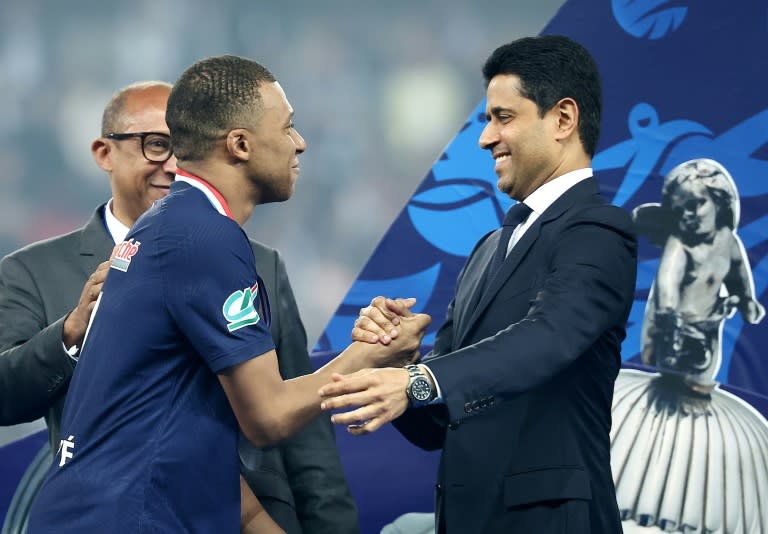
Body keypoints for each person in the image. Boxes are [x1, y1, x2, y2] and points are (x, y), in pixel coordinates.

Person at [24, 55, 429, 534]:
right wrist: (372, 353)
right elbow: (269, 418)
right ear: (240, 144)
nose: (299, 143)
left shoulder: (167, 228)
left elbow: (190, 444)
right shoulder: (204, 240)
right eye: (288, 127)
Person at [319, 35, 638, 534]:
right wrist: (401, 360)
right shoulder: (489, 248)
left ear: (563, 119)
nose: (485, 138)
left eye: (503, 117)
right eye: (488, 119)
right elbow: (437, 423)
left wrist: (418, 381)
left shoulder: (598, 228)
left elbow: (549, 336)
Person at [633, 157, 765, 390]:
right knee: (668, 387)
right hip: (672, 329)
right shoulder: (680, 246)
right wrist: (670, 322)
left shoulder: (728, 241)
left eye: (694, 204)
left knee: (700, 384)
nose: (686, 215)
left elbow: (738, 276)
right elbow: (667, 286)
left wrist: (746, 301)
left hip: (708, 327)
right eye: (678, 210)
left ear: (720, 201)